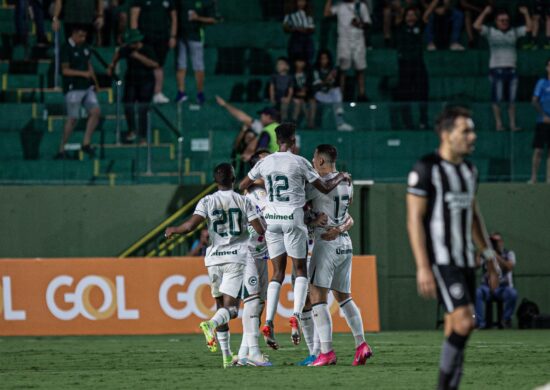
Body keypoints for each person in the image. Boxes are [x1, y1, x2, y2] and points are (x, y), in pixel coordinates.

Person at [406, 106, 500, 390]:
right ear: (447, 134)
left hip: (465, 261)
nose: (473, 137)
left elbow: (473, 215)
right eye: (466, 131)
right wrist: (423, 266)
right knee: (464, 323)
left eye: (472, 130)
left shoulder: (470, 171)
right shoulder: (426, 169)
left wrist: (488, 255)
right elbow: (414, 221)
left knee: (457, 326)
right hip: (441, 261)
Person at [239, 123, 351, 350]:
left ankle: (269, 320)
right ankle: (296, 314)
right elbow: (325, 187)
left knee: (277, 272)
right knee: (299, 269)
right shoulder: (300, 162)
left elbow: (243, 184)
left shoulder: (265, 162)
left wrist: (263, 184)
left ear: (277, 139)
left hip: (272, 220)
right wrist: (341, 177)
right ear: (293, 140)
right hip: (293, 218)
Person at [165, 163, 265, 368]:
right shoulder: (243, 200)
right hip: (235, 259)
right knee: (231, 310)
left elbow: (191, 225)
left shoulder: (207, 201)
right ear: (234, 179)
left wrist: (174, 228)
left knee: (220, 307)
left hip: (213, 259)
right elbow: (259, 228)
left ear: (214, 181)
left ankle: (227, 357)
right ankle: (210, 324)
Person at [305, 144, 373, 367]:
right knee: (345, 297)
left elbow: (298, 207)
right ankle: (361, 344)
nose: (313, 161)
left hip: (325, 243)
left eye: (314, 158)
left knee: (317, 296)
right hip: (344, 243)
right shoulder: (347, 183)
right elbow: (348, 214)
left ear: (322, 161)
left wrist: (311, 219)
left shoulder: (316, 185)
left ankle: (326, 352)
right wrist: (340, 228)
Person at [235, 149, 272, 366]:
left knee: (258, 303)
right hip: (246, 254)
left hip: (262, 254)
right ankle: (254, 353)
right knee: (251, 302)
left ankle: (243, 353)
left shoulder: (268, 192)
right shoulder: (254, 194)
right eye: (266, 163)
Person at [474, 5, 532, 131]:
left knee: (512, 99)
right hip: (496, 69)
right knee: (497, 98)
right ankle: (498, 124)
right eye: (501, 20)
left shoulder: (514, 32)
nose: (504, 23)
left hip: (512, 69)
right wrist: (485, 12)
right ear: (496, 21)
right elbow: (476, 26)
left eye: (506, 20)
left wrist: (526, 13)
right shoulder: (491, 32)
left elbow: (529, 28)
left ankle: (512, 124)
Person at [54, 26, 100, 160]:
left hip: (87, 88)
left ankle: (86, 142)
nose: (83, 39)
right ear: (74, 34)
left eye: (84, 36)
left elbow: (89, 65)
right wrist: (82, 74)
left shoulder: (85, 48)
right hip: (73, 88)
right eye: (81, 36)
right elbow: (65, 71)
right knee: (73, 118)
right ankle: (61, 148)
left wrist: (95, 82)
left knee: (96, 112)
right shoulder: (65, 48)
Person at [107, 29, 159, 144]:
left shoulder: (147, 49)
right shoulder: (127, 50)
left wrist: (138, 57)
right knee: (128, 105)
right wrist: (112, 65)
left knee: (143, 109)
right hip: (131, 81)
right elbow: (118, 54)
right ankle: (132, 130)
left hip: (146, 82)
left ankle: (143, 136)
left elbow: (154, 64)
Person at [130, 0, 177, 104]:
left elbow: (173, 17)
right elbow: (134, 16)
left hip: (162, 37)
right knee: (141, 64)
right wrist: (134, 37)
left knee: (159, 65)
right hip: (145, 38)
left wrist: (173, 36)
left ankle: (157, 93)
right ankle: (139, 94)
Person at [324, 0, 371, 102]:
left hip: (358, 39)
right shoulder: (340, 6)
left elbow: (367, 23)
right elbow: (327, 13)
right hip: (344, 40)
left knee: (360, 67)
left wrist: (358, 24)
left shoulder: (361, 6)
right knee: (343, 68)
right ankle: (341, 94)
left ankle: (361, 94)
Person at [175, 0, 218, 104]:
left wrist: (197, 18)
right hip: (181, 37)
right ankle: (181, 93)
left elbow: (213, 20)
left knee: (198, 66)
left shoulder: (206, 2)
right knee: (181, 65)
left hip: (196, 37)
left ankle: (200, 93)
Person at [394, 6, 429, 130]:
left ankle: (423, 121)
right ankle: (407, 123)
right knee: (404, 95)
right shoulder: (399, 28)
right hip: (404, 66)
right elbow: (398, 12)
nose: (410, 17)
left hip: (418, 64)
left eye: (413, 14)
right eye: (408, 14)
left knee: (422, 93)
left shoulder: (420, 27)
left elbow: (426, 15)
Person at [475, 232, 518, 329]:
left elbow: (510, 266)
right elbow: (476, 265)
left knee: (513, 293)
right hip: (487, 287)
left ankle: (506, 320)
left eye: (496, 241)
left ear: (501, 242)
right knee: (477, 292)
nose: (494, 243)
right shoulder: (486, 254)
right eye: (492, 241)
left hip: (503, 288)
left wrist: (496, 256)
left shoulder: (509, 253)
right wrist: (479, 252)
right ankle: (479, 323)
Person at [215, 96, 281, 155]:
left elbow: (242, 117)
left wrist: (225, 105)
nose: (260, 117)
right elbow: (243, 117)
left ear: (268, 116)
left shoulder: (266, 129)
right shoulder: (279, 127)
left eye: (262, 115)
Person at [313, 50, 353, 131]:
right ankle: (339, 111)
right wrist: (326, 81)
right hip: (319, 95)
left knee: (337, 91)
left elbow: (334, 84)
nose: (324, 61)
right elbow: (316, 85)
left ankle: (340, 123)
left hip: (330, 96)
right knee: (335, 100)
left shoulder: (332, 70)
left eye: (325, 59)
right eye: (322, 59)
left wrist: (331, 80)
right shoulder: (315, 70)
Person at [530, 59, 550, 184]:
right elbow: (534, 101)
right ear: (547, 68)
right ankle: (534, 177)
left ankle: (549, 179)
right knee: (538, 150)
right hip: (542, 122)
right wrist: (543, 116)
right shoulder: (542, 83)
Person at [283, 0, 316, 64]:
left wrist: (306, 29)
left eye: (303, 1)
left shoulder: (308, 14)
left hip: (306, 39)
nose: (301, 3)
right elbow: (285, 27)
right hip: (296, 38)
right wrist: (295, 29)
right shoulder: (291, 14)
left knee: (307, 59)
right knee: (295, 58)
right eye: (299, 1)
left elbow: (312, 28)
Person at [291, 56, 317, 129]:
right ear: (295, 63)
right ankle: (294, 122)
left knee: (312, 102)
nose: (300, 64)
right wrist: (297, 93)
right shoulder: (291, 74)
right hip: (294, 96)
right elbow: (290, 87)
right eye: (299, 61)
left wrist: (305, 92)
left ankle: (311, 122)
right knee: (299, 102)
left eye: (302, 62)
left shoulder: (308, 74)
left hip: (306, 96)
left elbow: (310, 86)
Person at [269, 57, 294, 121]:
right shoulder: (274, 76)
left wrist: (288, 98)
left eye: (281, 64)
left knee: (284, 105)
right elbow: (271, 88)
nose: (279, 66)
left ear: (287, 66)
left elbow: (290, 89)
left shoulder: (290, 77)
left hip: (285, 96)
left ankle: (284, 120)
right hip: (277, 96)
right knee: (275, 110)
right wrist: (272, 98)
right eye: (277, 64)